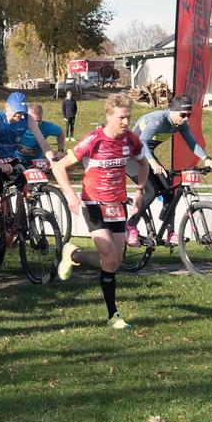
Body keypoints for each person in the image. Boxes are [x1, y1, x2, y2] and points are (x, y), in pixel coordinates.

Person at [52, 93, 147, 330]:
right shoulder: (94, 140)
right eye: (121, 118)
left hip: (118, 204)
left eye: (128, 117)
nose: (126, 122)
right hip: (93, 203)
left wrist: (140, 190)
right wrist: (70, 195)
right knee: (110, 257)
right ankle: (113, 315)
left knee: (114, 261)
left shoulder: (131, 140)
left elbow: (143, 164)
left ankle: (73, 255)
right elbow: (59, 167)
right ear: (108, 116)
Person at [127, 94, 212, 246]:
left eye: (189, 115)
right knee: (151, 190)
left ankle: (170, 233)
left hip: (146, 156)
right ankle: (131, 225)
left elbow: (192, 143)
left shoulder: (180, 124)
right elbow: (142, 142)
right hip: (130, 156)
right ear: (173, 111)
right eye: (183, 115)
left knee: (169, 191)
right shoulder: (158, 120)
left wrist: (206, 158)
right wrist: (153, 163)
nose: (186, 118)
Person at [0, 92, 54, 225]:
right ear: (7, 106)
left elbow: (43, 143)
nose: (19, 115)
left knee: (26, 182)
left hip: (9, 159)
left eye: (22, 112)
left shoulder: (28, 119)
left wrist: (53, 161)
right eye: (16, 111)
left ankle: (19, 222)